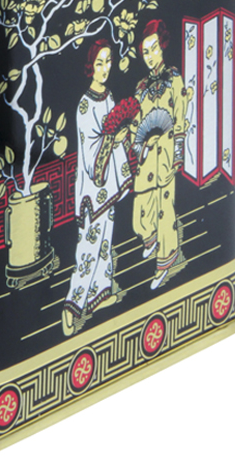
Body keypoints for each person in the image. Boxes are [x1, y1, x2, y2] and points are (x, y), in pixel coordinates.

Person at [62, 40, 140, 337]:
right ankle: (72, 306)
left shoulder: (108, 97)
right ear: (90, 67)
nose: (105, 68)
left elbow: (113, 130)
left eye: (108, 61)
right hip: (93, 189)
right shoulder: (85, 105)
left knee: (105, 243)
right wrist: (113, 139)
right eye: (99, 63)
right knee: (88, 247)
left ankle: (99, 292)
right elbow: (90, 150)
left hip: (108, 186)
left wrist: (123, 135)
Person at [132, 20, 188, 290]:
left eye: (154, 48)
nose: (150, 56)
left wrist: (178, 153)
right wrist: (136, 143)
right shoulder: (141, 87)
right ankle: (149, 236)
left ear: (163, 46)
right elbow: (137, 122)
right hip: (146, 157)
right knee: (141, 209)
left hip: (165, 153)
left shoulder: (174, 79)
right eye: (146, 51)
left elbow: (180, 117)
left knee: (166, 208)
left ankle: (165, 260)